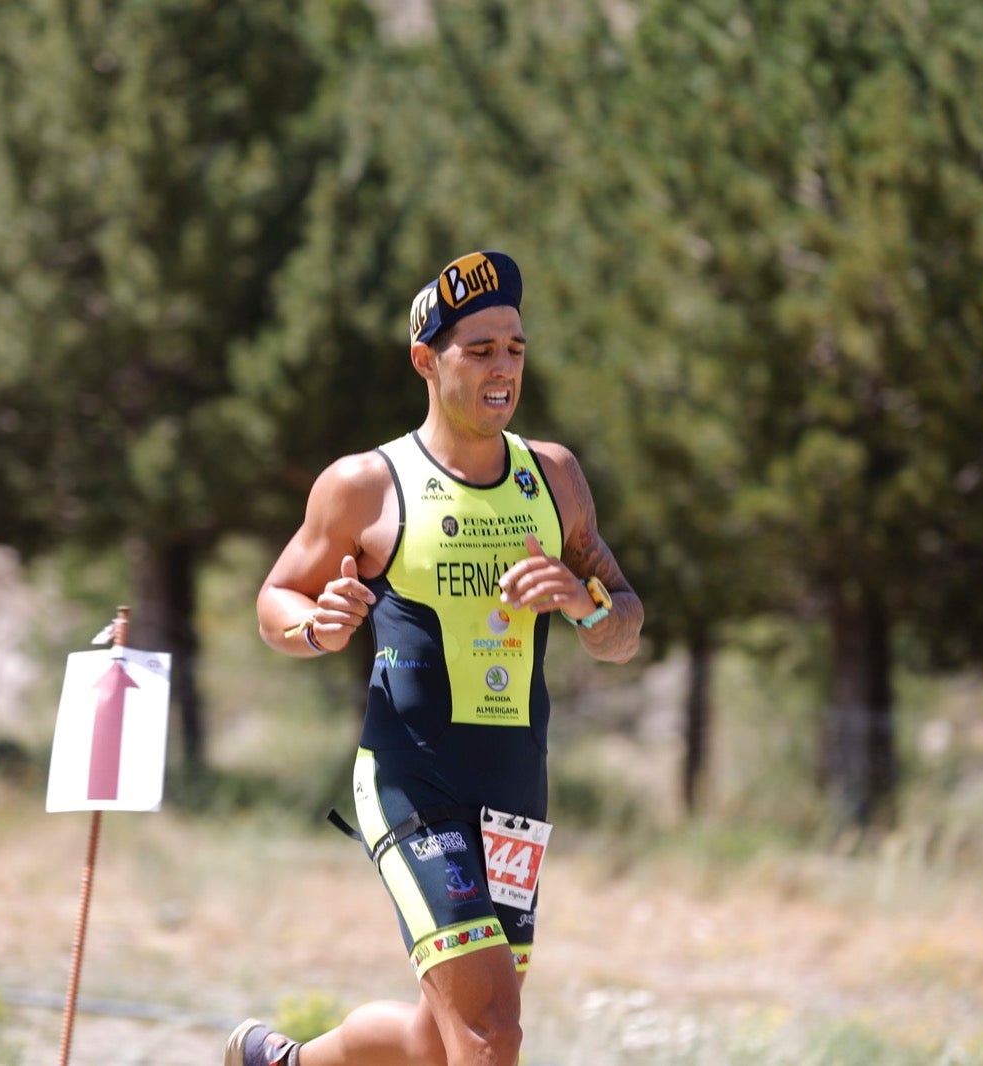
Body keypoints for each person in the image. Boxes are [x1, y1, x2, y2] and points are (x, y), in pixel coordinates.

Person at [233, 249, 644, 1066]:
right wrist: (319, 625)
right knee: (491, 1031)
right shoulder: (366, 484)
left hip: (516, 784)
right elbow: (273, 601)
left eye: (516, 349)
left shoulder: (553, 477)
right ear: (427, 360)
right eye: (480, 350)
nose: (504, 370)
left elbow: (624, 626)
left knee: (440, 1034)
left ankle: (283, 1064)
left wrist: (581, 599)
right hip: (410, 780)